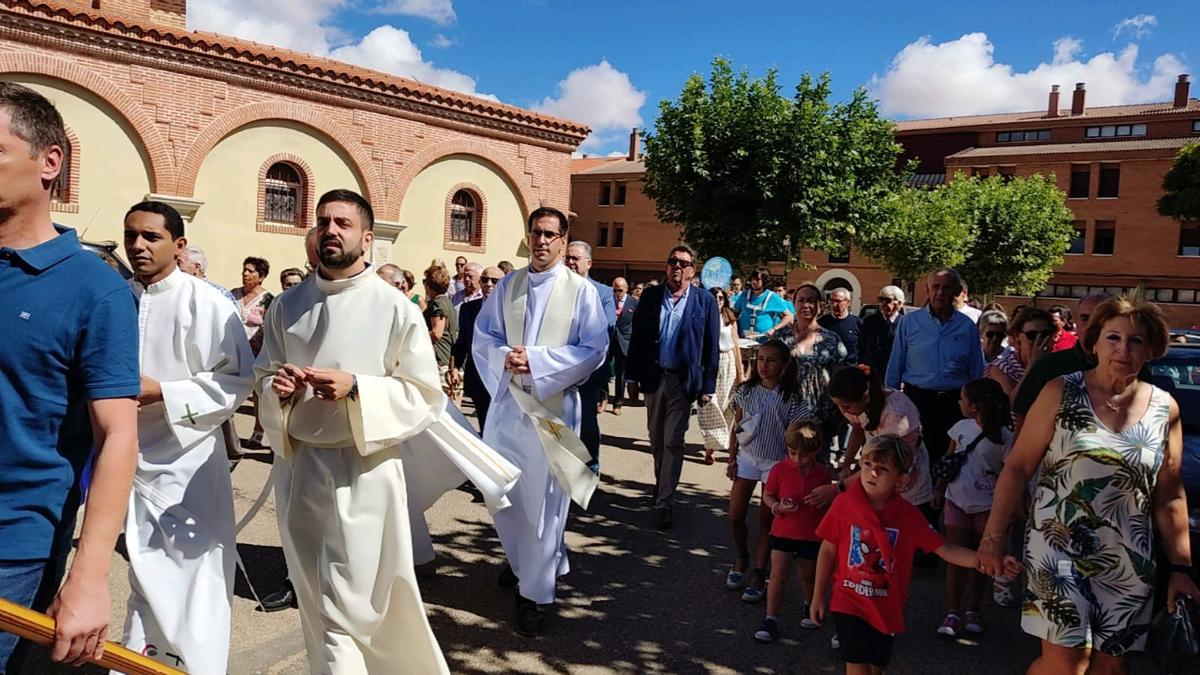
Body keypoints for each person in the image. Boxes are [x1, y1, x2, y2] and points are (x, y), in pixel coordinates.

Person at [255, 189, 517, 672]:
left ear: (368, 238)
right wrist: (280, 387)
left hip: (365, 472)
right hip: (301, 469)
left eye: (343, 223)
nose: (330, 230)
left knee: (357, 606)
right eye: (323, 221)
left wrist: (358, 388)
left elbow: (423, 395)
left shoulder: (394, 308)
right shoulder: (286, 306)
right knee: (316, 600)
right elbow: (263, 375)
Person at [979, 296, 1198, 675]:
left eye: (1136, 341)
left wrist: (1182, 568)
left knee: (1110, 667)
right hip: (1058, 548)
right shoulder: (1060, 392)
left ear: (1151, 350)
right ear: (1093, 341)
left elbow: (1170, 495)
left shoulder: (1166, 409)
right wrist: (994, 534)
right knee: (1067, 663)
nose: (1123, 349)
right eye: (1113, 337)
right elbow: (1017, 467)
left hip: (1129, 557)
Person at [0, 82, 139, 672]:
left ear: (49, 162)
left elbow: (117, 438)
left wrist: (87, 579)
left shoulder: (95, 289)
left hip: (14, 549)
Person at [119, 200, 254, 672]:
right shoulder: (120, 298)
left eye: (151, 237)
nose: (137, 245)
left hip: (189, 461)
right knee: (143, 571)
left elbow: (238, 380)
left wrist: (166, 393)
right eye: (131, 235)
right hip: (128, 457)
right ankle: (137, 662)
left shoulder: (209, 304)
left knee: (193, 574)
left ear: (178, 246)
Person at [472, 206, 609, 636]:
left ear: (564, 241)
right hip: (509, 407)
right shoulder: (509, 285)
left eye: (551, 234)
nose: (543, 241)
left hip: (553, 411)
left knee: (546, 504)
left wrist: (536, 360)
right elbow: (484, 336)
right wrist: (504, 358)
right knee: (505, 494)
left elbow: (594, 348)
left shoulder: (580, 291)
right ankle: (520, 561)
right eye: (536, 233)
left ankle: (533, 594)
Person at [811, 435, 1000, 675]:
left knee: (876, 667)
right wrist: (818, 596)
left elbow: (944, 549)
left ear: (901, 480)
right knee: (856, 664)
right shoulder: (844, 505)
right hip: (849, 602)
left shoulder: (909, 517)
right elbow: (828, 549)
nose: (872, 474)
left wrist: (983, 560)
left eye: (882, 469)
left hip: (886, 607)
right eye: (867, 465)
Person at [626, 244, 721, 530]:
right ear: (667, 266)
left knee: (672, 441)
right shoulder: (653, 296)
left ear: (693, 270)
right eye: (673, 262)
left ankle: (665, 501)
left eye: (683, 263)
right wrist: (631, 376)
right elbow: (639, 337)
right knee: (655, 439)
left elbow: (710, 346)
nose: (677, 267)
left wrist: (708, 385)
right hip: (655, 378)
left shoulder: (704, 301)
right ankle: (661, 485)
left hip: (683, 382)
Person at [726, 340, 812, 603]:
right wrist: (731, 458)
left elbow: (799, 434)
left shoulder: (793, 399)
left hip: (776, 464)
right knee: (735, 514)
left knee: (767, 520)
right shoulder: (746, 391)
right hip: (747, 458)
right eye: (761, 359)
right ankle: (742, 555)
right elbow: (737, 425)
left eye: (771, 360)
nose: (764, 365)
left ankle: (759, 572)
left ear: (784, 365)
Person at [931, 378, 1012, 639]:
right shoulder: (960, 428)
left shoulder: (1005, 437)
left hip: (987, 506)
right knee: (955, 557)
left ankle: (973, 610)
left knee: (982, 560)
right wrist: (939, 488)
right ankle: (952, 611)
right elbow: (949, 459)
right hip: (957, 501)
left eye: (963, 398)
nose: (959, 402)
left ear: (974, 406)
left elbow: (1010, 473)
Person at [1010, 293, 1157, 433]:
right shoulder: (1050, 367)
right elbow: (1022, 421)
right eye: (1085, 318)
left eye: (1099, 319)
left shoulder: (1133, 369)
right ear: (1076, 323)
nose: (1091, 325)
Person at [886, 268, 985, 466]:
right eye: (936, 287)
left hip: (955, 402)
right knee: (914, 457)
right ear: (927, 289)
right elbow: (895, 364)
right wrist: (890, 401)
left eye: (947, 288)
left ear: (957, 291)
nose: (940, 293)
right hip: (917, 400)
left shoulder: (967, 326)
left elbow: (976, 370)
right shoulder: (910, 323)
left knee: (951, 458)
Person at [823, 366, 933, 522]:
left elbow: (883, 461)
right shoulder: (855, 405)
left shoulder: (895, 413)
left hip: (908, 488)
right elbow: (858, 429)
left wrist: (838, 488)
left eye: (846, 406)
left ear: (865, 397)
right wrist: (846, 465)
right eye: (839, 406)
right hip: (879, 481)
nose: (843, 410)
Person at [754, 419, 829, 643]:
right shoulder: (780, 469)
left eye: (803, 455)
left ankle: (809, 604)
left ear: (815, 451)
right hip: (783, 530)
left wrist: (822, 502)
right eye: (792, 453)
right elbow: (768, 495)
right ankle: (771, 618)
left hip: (811, 533)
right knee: (777, 575)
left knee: (808, 574)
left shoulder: (823, 473)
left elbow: (829, 501)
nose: (797, 459)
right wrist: (777, 506)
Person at [774, 283, 847, 452]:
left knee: (817, 468)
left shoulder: (831, 339)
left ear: (819, 306)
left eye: (811, 301)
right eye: (801, 300)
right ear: (794, 304)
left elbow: (839, 378)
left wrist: (840, 412)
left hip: (819, 414)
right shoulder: (780, 337)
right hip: (783, 412)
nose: (806, 305)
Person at [565, 241, 617, 471]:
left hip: (588, 372)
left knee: (586, 422)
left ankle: (590, 467)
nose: (570, 262)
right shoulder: (556, 288)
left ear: (589, 263)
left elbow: (606, 328)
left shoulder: (603, 293)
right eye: (568, 258)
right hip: (558, 368)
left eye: (575, 258)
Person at [450, 265, 502, 432]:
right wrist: (455, 367)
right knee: (484, 424)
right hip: (478, 376)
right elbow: (463, 341)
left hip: (501, 378)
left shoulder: (508, 309)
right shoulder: (468, 308)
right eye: (485, 280)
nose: (489, 284)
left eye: (495, 281)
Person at [698, 286, 744, 464]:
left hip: (728, 362)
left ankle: (714, 448)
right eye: (714, 297)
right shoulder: (702, 317)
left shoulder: (729, 318)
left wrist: (740, 372)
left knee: (727, 407)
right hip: (710, 363)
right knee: (710, 404)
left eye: (720, 298)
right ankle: (710, 443)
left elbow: (736, 344)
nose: (717, 301)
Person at [986, 307, 1052, 402]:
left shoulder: (1055, 366)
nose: (1039, 339)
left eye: (1045, 334)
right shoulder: (1001, 368)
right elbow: (1012, 405)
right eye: (1032, 335)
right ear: (1017, 336)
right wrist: (1031, 367)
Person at [423, 264, 458, 388]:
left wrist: (418, 336)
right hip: (448, 356)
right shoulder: (447, 302)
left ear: (428, 285)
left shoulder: (437, 304)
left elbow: (437, 333)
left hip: (440, 357)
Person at [859, 286, 906, 374]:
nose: (883, 304)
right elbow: (862, 347)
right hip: (871, 373)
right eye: (880, 300)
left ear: (899, 303)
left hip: (895, 373)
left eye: (888, 300)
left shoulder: (905, 324)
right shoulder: (870, 321)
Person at [609, 276, 639, 414]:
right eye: (614, 290)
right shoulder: (608, 301)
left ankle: (618, 403)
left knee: (621, 374)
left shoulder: (633, 303)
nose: (617, 293)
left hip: (624, 342)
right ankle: (602, 398)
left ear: (626, 289)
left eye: (620, 290)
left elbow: (638, 324)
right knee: (604, 371)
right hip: (608, 340)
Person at [734, 267, 794, 337]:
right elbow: (734, 313)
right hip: (743, 338)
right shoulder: (744, 295)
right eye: (752, 279)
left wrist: (774, 329)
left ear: (765, 281)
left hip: (764, 341)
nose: (753, 282)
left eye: (757, 279)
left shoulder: (772, 297)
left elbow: (789, 316)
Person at [819, 288, 862, 365]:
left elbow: (863, 349)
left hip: (850, 369)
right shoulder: (821, 322)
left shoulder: (857, 323)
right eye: (832, 301)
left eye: (838, 301)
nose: (834, 305)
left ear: (848, 302)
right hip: (828, 369)